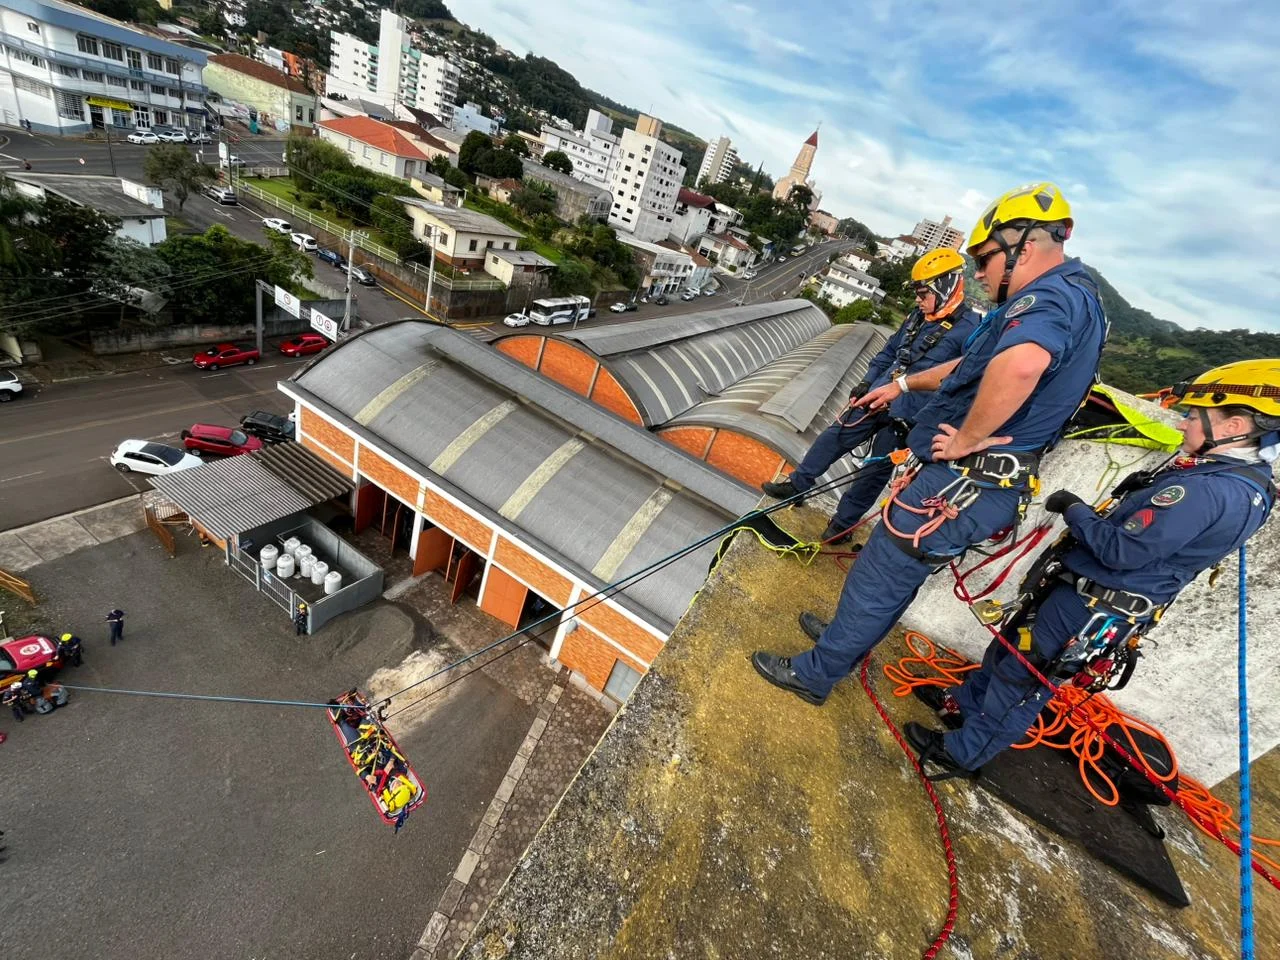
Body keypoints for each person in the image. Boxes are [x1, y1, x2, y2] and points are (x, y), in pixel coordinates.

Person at [752, 182, 1107, 706]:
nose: (979, 272)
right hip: (981, 486)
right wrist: (899, 385)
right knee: (894, 579)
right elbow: (971, 367)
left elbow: (1022, 365)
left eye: (985, 258)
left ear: (1024, 247)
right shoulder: (1078, 300)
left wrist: (967, 438)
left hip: (964, 483)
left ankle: (816, 673)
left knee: (879, 575)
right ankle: (841, 647)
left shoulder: (1048, 298)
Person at [908, 359, 1279, 775]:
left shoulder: (1208, 491)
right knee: (1011, 651)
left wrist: (1075, 509)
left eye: (1193, 417)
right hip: (1087, 595)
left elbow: (1123, 551)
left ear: (1232, 427)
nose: (1181, 425)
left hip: (1091, 606)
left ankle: (961, 754)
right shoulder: (1243, 483)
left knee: (1022, 682)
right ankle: (966, 705)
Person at [762, 249, 981, 543]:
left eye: (923, 292)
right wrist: (866, 382)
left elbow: (959, 382)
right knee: (836, 433)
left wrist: (924, 421)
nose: (917, 299)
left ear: (945, 286)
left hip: (910, 414)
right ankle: (798, 484)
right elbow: (891, 351)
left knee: (874, 471)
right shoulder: (919, 316)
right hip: (879, 393)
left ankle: (841, 525)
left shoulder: (971, 330)